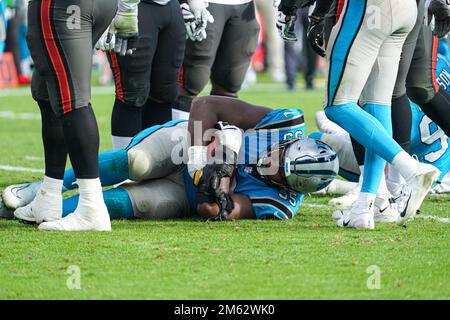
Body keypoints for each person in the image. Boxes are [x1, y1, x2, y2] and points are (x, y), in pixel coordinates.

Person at [2, 96, 339, 222]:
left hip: (186, 195)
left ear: (292, 187)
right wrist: (198, 157)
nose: (274, 164)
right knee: (137, 163)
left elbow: (214, 210)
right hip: (184, 143)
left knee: (128, 206)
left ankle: (41, 213)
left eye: (281, 173)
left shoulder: (279, 204)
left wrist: (219, 170)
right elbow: (206, 106)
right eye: (282, 157)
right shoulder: (285, 123)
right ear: (295, 143)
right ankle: (39, 189)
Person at [277, 0, 441, 230]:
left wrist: (295, 8)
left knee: (337, 104)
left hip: (369, 9)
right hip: (406, 9)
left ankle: (411, 169)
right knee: (378, 104)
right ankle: (368, 206)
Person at [17, 0, 141, 232]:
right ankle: (49, 195)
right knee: (47, 90)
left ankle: (91, 207)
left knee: (72, 99)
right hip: (103, 4)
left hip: (63, 6)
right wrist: (127, 7)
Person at [311, 53, 450, 223]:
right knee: (323, 134)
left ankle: (375, 195)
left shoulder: (400, 70)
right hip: (438, 165)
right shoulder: (436, 64)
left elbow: (385, 136)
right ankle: (375, 193)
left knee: (342, 106)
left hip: (401, 162)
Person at [97, 0, 187, 150]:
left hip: (171, 6)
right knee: (132, 93)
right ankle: (124, 165)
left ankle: (156, 165)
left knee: (165, 94)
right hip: (133, 8)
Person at [174, 0, 261, 118]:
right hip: (206, 5)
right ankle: (181, 133)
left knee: (231, 82)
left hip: (245, 7)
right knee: (192, 80)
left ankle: (220, 133)